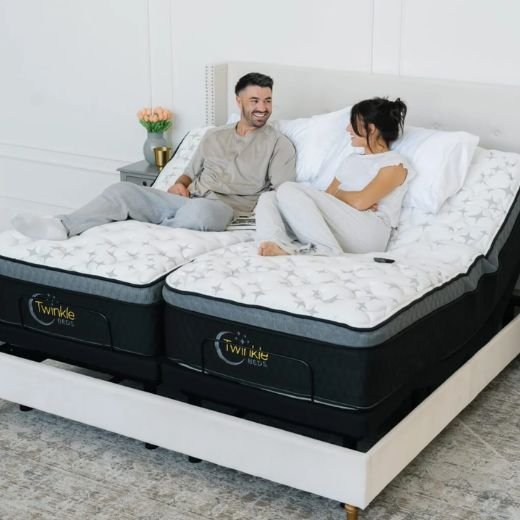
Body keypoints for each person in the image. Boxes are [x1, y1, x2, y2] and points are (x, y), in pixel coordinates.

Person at [11, 73, 296, 241]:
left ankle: (147, 235)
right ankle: (62, 226)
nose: (263, 107)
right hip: (187, 201)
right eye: (255, 100)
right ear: (239, 101)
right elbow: (188, 173)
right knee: (122, 191)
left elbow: (280, 194)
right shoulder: (214, 136)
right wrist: (180, 184)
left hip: (225, 209)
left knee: (201, 212)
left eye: (268, 100)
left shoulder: (278, 144)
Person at [256, 97, 411, 256]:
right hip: (341, 227)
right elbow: (331, 196)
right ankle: (274, 242)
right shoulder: (351, 160)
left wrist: (343, 196)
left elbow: (359, 202)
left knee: (288, 188)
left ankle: (325, 250)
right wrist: (350, 198)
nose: (348, 129)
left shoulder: (394, 164)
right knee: (269, 197)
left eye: (353, 123)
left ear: (371, 129)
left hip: (369, 233)